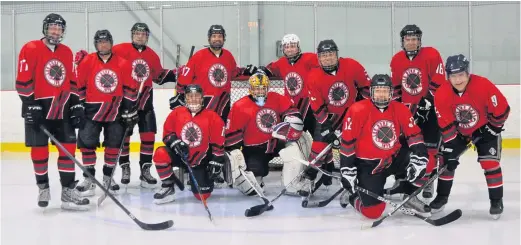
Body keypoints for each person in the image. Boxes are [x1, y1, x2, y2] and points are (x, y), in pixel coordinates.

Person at [16, 13, 89, 210]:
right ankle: (43, 188)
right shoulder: (30, 48)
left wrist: (76, 104)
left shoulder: (66, 51)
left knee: (68, 150)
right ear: (45, 28)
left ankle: (67, 192)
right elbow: (23, 80)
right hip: (38, 109)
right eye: (52, 28)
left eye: (59, 29)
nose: (55, 32)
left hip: (62, 110)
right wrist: (30, 103)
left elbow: (72, 82)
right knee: (39, 152)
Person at [339, 74, 431, 219]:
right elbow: (347, 142)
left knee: (428, 161)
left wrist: (420, 159)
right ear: (371, 92)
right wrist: (347, 170)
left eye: (385, 91)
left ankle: (409, 197)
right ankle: (354, 196)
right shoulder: (357, 110)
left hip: (393, 158)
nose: (381, 94)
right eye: (378, 90)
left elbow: (414, 135)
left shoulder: (400, 108)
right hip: (369, 166)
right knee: (373, 212)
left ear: (391, 93)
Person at [431, 54, 510, 219]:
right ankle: (441, 197)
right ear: (448, 76)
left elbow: (502, 109)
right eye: (453, 76)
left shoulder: (483, 85)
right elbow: (445, 124)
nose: (457, 79)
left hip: (485, 127)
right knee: (446, 162)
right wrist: (451, 149)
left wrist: (493, 128)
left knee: (490, 163)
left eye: (461, 75)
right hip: (458, 132)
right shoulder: (442, 93)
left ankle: (496, 201)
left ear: (467, 73)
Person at [74, 30, 139, 197]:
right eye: (100, 42)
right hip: (90, 112)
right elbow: (79, 85)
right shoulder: (87, 61)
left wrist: (128, 109)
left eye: (106, 42)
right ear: (96, 44)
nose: (103, 45)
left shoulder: (123, 63)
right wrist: (79, 106)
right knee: (87, 145)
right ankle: (89, 178)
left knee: (114, 145)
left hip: (115, 111)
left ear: (111, 43)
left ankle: (108, 177)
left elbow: (130, 89)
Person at [386, 24, 448, 198]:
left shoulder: (432, 54)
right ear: (403, 41)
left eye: (414, 39)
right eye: (408, 39)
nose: (411, 42)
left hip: (431, 110)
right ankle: (402, 179)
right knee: (402, 147)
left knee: (429, 149)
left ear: (419, 40)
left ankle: (427, 182)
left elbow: (439, 81)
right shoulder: (397, 59)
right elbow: (397, 88)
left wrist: (426, 103)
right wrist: (395, 110)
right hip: (408, 112)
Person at [224, 73, 311, 196]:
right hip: (254, 148)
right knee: (253, 189)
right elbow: (232, 135)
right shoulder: (240, 106)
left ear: (268, 88)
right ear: (250, 89)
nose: (260, 91)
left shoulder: (276, 98)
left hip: (275, 142)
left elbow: (291, 111)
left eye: (263, 88)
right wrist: (236, 154)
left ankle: (293, 183)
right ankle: (245, 180)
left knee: (297, 144)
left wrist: (290, 118)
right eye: (256, 88)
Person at [305, 39, 371, 193]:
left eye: (330, 54)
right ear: (319, 58)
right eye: (324, 55)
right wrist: (326, 127)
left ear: (337, 55)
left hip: (352, 115)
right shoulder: (313, 75)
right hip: (330, 117)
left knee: (355, 149)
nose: (328, 58)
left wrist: (364, 108)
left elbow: (367, 89)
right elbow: (316, 106)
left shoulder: (352, 65)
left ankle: (355, 179)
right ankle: (310, 178)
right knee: (318, 150)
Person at [152, 84, 225, 204]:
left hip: (201, 161)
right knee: (161, 153)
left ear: (202, 99)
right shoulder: (177, 113)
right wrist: (175, 143)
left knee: (202, 196)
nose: (194, 99)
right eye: (190, 96)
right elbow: (167, 135)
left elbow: (218, 144)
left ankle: (204, 177)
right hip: (181, 156)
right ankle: (168, 186)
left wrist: (216, 161)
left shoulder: (213, 117)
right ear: (186, 98)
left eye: (197, 96)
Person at [111, 22, 163, 188]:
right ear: (132, 34)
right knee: (123, 137)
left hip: (145, 104)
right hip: (125, 103)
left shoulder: (153, 55)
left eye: (143, 34)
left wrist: (179, 73)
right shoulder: (119, 50)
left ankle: (145, 170)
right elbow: (102, 58)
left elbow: (159, 76)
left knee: (148, 136)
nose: (140, 36)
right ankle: (125, 168)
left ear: (147, 37)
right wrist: (86, 58)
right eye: (137, 33)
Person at [173, 24, 256, 122]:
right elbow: (184, 79)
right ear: (209, 39)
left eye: (220, 36)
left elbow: (234, 73)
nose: (217, 39)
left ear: (224, 39)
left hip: (223, 103)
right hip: (202, 102)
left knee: (220, 133)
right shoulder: (199, 56)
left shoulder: (228, 56)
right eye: (214, 36)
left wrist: (246, 71)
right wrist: (180, 94)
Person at [259, 33, 320, 133]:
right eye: (287, 47)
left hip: (309, 105)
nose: (290, 49)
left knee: (317, 136)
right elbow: (269, 70)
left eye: (292, 46)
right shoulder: (281, 62)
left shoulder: (309, 58)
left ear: (298, 47)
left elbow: (326, 64)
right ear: (283, 49)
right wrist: (259, 71)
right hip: (291, 106)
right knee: (294, 137)